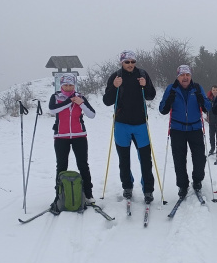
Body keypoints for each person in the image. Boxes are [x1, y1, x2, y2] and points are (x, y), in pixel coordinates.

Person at [102, 50, 157, 204]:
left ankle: (148, 190)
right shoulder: (115, 77)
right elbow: (107, 101)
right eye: (127, 62)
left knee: (145, 159)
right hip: (122, 125)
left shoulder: (143, 74)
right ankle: (127, 186)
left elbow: (151, 96)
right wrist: (114, 86)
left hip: (140, 125)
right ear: (122, 62)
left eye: (133, 62)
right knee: (124, 159)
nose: (131, 65)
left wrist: (145, 86)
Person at [158, 65, 211, 199]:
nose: (185, 77)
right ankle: (182, 185)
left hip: (195, 129)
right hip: (177, 130)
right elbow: (162, 109)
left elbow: (208, 108)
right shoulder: (171, 88)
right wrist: (169, 100)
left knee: (200, 158)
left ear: (191, 76)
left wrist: (202, 99)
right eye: (182, 75)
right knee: (179, 160)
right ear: (178, 77)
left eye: (187, 74)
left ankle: (197, 180)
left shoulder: (197, 88)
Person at [48, 73, 96, 212]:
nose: (68, 87)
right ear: (61, 85)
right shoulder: (56, 97)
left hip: (79, 135)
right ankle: (60, 194)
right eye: (65, 85)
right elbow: (52, 109)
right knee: (61, 165)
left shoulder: (80, 97)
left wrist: (81, 103)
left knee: (83, 164)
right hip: (61, 136)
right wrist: (69, 101)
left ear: (74, 85)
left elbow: (92, 115)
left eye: (71, 85)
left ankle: (88, 194)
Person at [206, 85, 217, 162]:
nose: (215, 91)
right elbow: (206, 108)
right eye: (213, 90)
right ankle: (212, 148)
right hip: (211, 120)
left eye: (216, 90)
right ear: (211, 91)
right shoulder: (209, 99)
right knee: (211, 136)